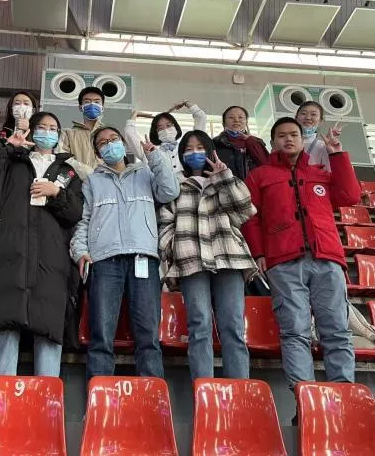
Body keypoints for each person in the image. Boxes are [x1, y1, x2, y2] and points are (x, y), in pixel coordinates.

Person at [242, 117, 361, 419]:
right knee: (294, 332)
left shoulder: (320, 172)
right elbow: (250, 217)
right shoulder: (260, 176)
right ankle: (305, 402)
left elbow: (350, 196)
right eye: (282, 135)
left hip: (326, 258)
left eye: (293, 134)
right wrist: (259, 252)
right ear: (273, 142)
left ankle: (343, 400)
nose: (288, 139)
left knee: (336, 330)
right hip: (283, 262)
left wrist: (337, 153)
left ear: (302, 139)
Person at [0, 112, 83, 376]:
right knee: (5, 322)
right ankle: (2, 392)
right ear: (31, 130)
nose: (47, 132)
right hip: (9, 251)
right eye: (41, 126)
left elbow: (75, 213)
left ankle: (48, 393)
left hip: (51, 257)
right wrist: (8, 145)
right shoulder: (12, 160)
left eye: (53, 128)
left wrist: (57, 193)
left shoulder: (68, 171)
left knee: (49, 326)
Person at [71, 127, 180, 381]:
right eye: (103, 143)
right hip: (104, 260)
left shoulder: (145, 172)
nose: (110, 145)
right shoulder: (92, 182)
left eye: (114, 139)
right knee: (101, 334)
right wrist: (80, 251)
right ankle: (99, 395)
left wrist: (154, 156)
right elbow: (84, 220)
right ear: (98, 153)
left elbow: (169, 191)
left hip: (143, 257)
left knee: (148, 335)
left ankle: (152, 397)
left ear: (123, 143)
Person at [158, 130, 256, 381]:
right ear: (182, 155)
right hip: (190, 260)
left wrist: (224, 178)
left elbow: (245, 211)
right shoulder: (176, 184)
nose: (195, 153)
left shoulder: (226, 178)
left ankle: (239, 389)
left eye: (200, 148)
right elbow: (165, 222)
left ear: (211, 150)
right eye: (189, 149)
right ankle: (203, 389)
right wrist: (173, 247)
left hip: (228, 257)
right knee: (199, 325)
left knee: (233, 326)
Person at [125, 101, 207, 174]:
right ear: (156, 133)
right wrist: (135, 114)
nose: (166, 130)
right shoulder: (149, 151)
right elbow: (129, 132)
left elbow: (201, 117)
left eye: (168, 125)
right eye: (160, 128)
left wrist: (186, 103)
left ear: (176, 127)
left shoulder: (188, 148)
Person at [58, 87, 105, 179]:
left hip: (105, 183)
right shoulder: (67, 134)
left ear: (102, 108)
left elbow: (117, 161)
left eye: (97, 102)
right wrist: (87, 172)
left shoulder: (109, 134)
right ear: (80, 107)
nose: (92, 105)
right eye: (87, 101)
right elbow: (62, 157)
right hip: (77, 184)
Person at [213, 105, 269, 181]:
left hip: (254, 186)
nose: (236, 120)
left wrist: (252, 143)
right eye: (231, 117)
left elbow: (267, 165)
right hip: (227, 186)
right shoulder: (215, 143)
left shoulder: (256, 142)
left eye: (240, 117)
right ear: (224, 123)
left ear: (246, 122)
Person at [295, 101, 338, 171]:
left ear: (320, 120)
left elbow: (331, 172)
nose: (308, 117)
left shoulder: (324, 147)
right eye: (303, 113)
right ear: (296, 118)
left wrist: (334, 154)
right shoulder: (286, 142)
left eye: (313, 114)